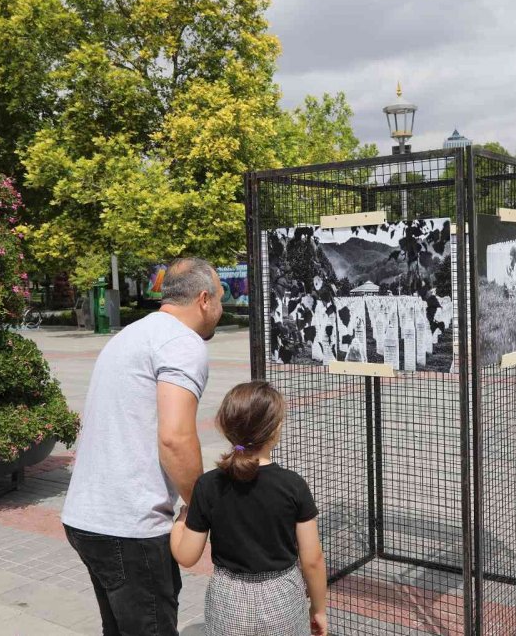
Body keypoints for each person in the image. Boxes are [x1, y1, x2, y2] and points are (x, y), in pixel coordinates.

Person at [61, 257, 224, 636]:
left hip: (88, 517)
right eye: (221, 296)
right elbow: (175, 438)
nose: (220, 306)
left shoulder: (137, 333)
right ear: (204, 299)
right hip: (129, 527)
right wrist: (203, 509)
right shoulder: (183, 343)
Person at [171, 381, 328, 636]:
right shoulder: (293, 485)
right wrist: (318, 610)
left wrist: (181, 520)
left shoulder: (208, 485)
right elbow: (312, 561)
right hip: (282, 596)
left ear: (225, 426)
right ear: (275, 429)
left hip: (228, 599)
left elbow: (187, 555)